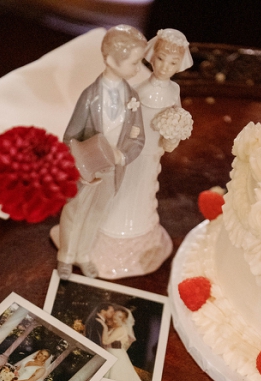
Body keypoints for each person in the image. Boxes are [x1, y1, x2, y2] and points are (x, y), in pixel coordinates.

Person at [87, 28, 189, 279]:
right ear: (152, 57)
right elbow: (124, 119)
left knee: (144, 188)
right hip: (132, 151)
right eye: (161, 59)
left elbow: (176, 114)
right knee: (123, 187)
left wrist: (173, 132)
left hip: (153, 152)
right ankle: (110, 229)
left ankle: (139, 230)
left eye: (173, 62)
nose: (165, 66)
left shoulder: (173, 90)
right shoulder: (138, 89)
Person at [53, 25, 148, 277]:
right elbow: (70, 136)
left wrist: (124, 155)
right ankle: (66, 255)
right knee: (74, 210)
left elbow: (139, 138)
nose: (138, 69)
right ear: (109, 60)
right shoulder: (90, 97)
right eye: (134, 63)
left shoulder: (132, 98)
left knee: (98, 212)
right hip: (86, 171)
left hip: (113, 171)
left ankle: (83, 254)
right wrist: (79, 164)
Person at [100, 306, 145, 381]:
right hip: (113, 353)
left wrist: (104, 327)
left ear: (123, 320)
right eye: (115, 315)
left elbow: (105, 341)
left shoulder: (120, 329)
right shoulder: (115, 328)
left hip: (116, 355)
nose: (115, 317)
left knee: (116, 376)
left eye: (119, 317)